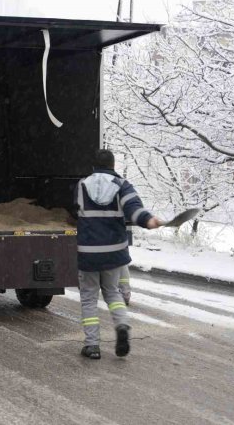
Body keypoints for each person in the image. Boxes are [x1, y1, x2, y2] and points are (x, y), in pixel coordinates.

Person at [75, 149, 162, 359]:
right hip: (114, 252)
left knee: (88, 299)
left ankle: (92, 346)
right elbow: (134, 209)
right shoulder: (122, 185)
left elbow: (76, 210)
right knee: (113, 293)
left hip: (88, 252)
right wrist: (148, 220)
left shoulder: (81, 185)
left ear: (94, 167)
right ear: (113, 166)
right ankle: (122, 325)